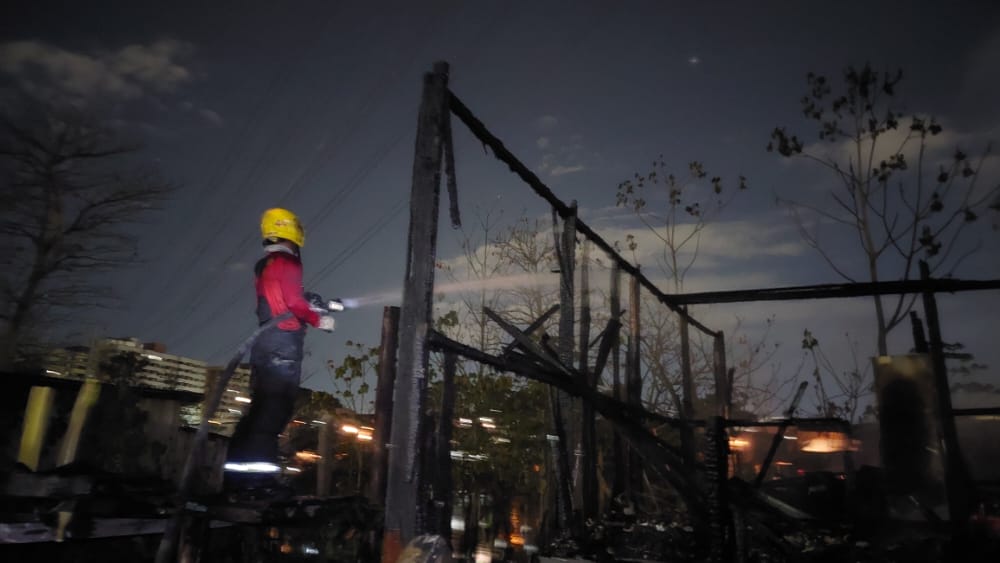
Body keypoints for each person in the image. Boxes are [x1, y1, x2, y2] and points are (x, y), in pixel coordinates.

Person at [223, 208, 334, 494]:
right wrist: (318, 318)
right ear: (290, 230)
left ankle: (236, 478)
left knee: (257, 411)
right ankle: (259, 483)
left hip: (264, 346)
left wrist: (310, 305)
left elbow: (278, 301)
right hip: (281, 348)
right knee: (274, 412)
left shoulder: (266, 264)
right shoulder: (289, 262)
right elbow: (294, 304)